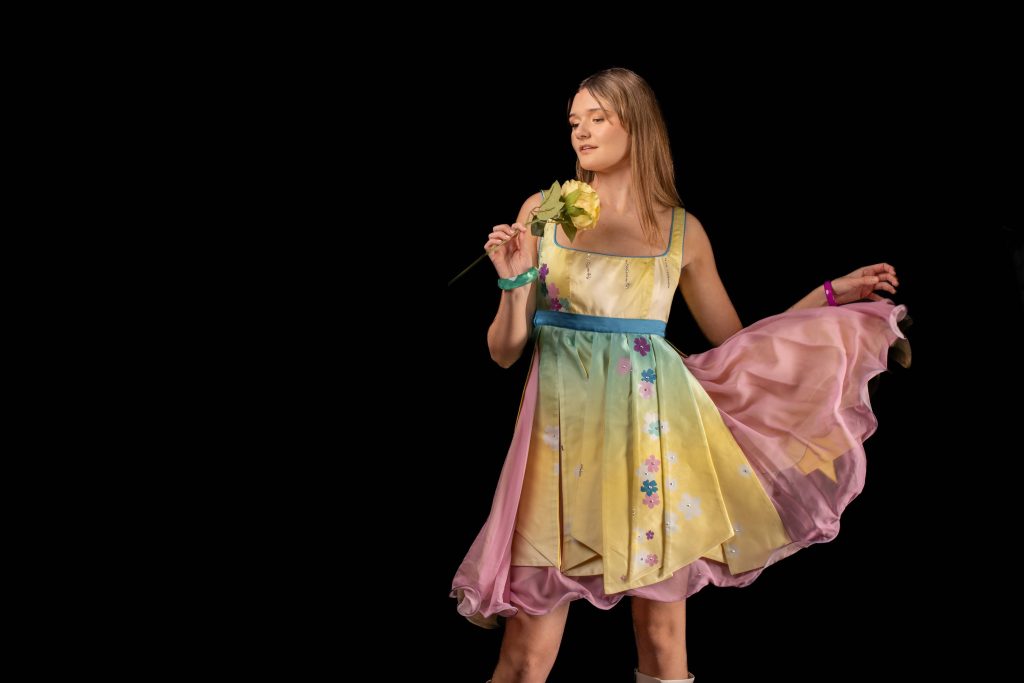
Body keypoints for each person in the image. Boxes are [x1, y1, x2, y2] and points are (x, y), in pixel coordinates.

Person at [451, 67, 909, 683]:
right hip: (558, 456)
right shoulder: (543, 211)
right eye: (573, 122)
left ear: (635, 126)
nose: (581, 133)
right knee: (526, 656)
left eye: (598, 118)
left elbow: (739, 346)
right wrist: (511, 281)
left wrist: (829, 295)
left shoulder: (681, 231)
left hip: (653, 457)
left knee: (664, 643)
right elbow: (505, 351)